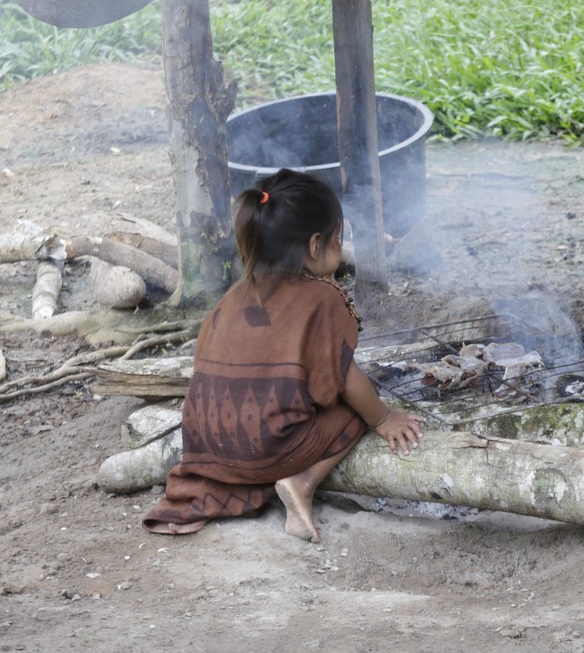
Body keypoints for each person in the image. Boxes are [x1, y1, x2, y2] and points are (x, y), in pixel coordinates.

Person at [143, 169, 422, 541]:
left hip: (208, 448)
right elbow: (344, 379)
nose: (340, 248)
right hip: (268, 450)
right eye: (339, 239)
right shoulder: (323, 297)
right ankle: (301, 484)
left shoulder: (234, 295)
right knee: (358, 408)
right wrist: (385, 419)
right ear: (314, 245)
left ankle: (249, 475)